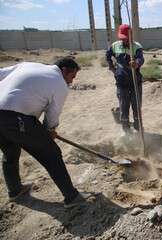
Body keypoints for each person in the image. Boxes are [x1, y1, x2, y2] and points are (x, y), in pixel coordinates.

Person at [0, 58, 91, 208]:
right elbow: (53, 114)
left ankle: (14, 190)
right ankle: (72, 197)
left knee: (10, 151)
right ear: (63, 70)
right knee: (51, 153)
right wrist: (50, 130)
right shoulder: (59, 83)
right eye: (72, 76)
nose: (72, 81)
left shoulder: (27, 65)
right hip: (17, 118)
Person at [106, 24, 145, 133]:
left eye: (127, 39)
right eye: (123, 39)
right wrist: (112, 68)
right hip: (121, 83)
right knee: (123, 108)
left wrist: (136, 63)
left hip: (135, 83)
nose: (125, 41)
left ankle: (138, 129)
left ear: (131, 37)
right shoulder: (115, 46)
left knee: (136, 108)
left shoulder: (137, 46)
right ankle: (126, 131)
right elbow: (108, 56)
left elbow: (141, 59)